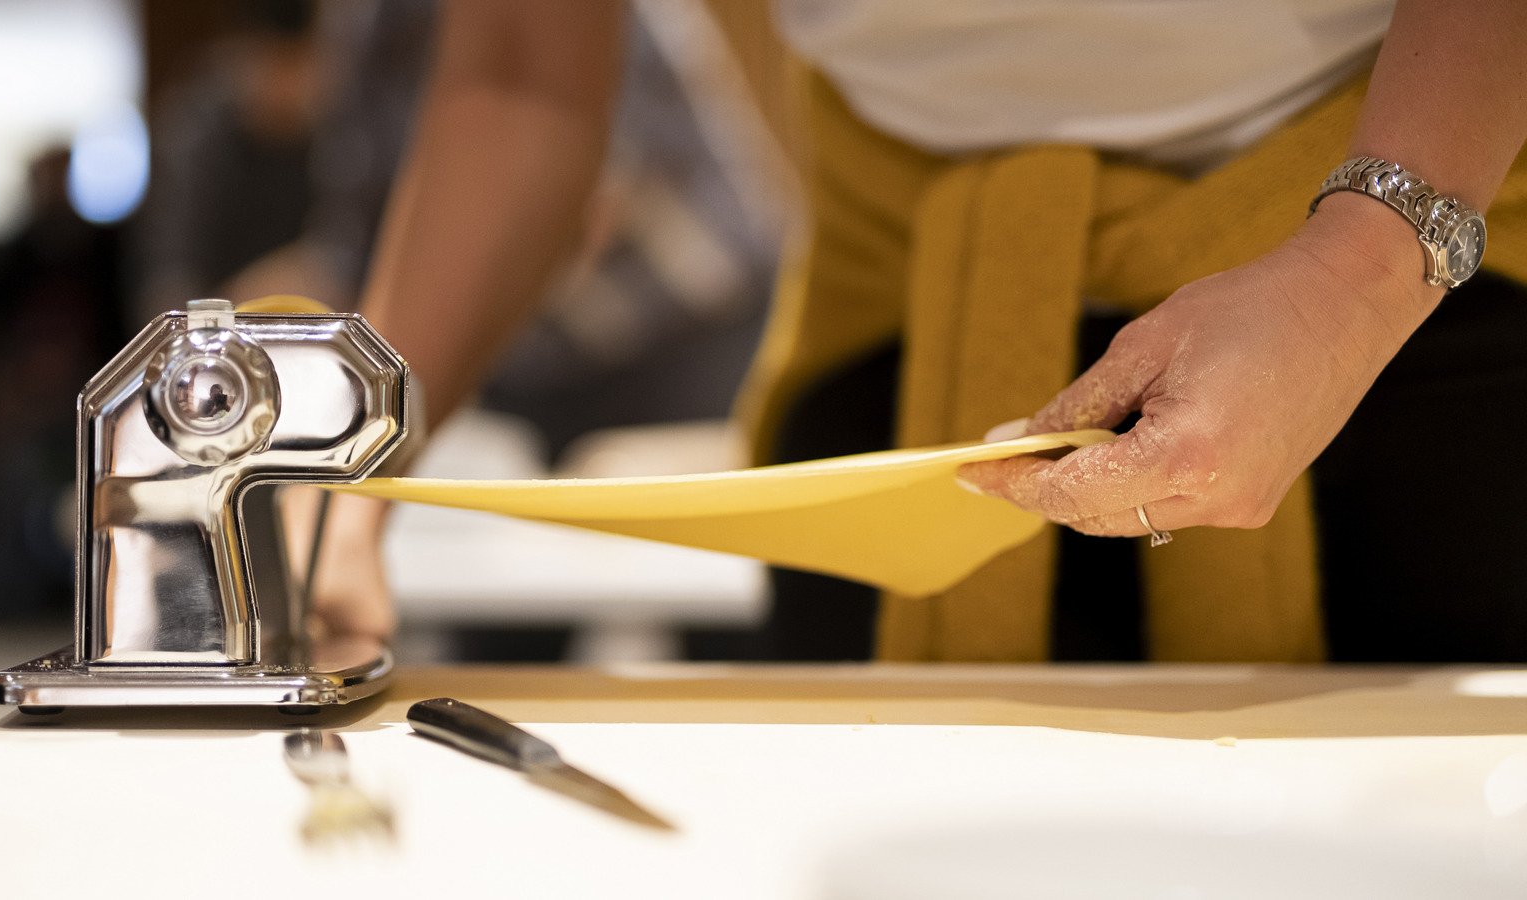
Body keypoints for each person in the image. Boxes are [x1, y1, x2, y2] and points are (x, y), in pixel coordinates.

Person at [311, 0, 1527, 663]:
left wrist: (1353, 277)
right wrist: (346, 482)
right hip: (907, 329)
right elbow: (521, 71)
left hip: (1422, 265)